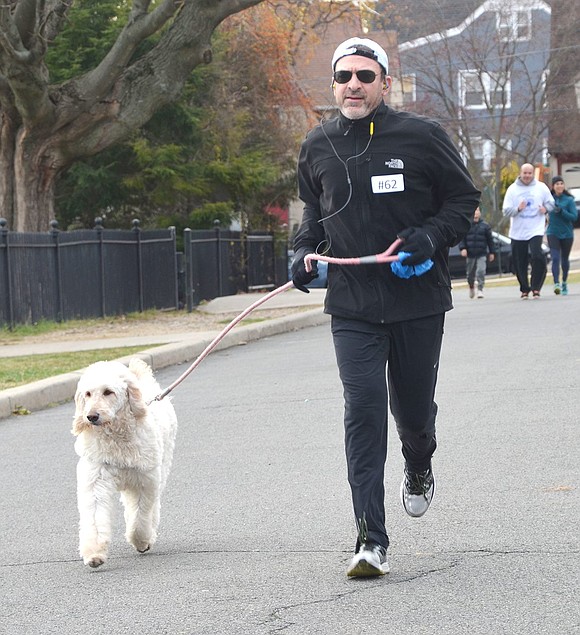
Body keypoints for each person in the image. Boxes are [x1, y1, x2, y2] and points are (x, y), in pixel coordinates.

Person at [291, 37, 480, 577]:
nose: (353, 84)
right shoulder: (318, 144)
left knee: (412, 413)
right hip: (352, 306)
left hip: (417, 299)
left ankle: (418, 461)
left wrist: (429, 236)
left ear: (384, 83)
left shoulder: (422, 137)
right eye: (344, 76)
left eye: (365, 76)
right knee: (364, 410)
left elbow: (464, 202)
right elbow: (314, 214)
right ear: (333, 84)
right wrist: (304, 253)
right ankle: (371, 539)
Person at [502, 163, 555, 299]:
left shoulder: (541, 187)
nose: (527, 176)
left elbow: (551, 203)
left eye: (529, 173)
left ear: (533, 174)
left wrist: (545, 209)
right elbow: (506, 211)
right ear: (520, 173)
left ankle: (536, 287)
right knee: (520, 261)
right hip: (518, 231)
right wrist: (518, 209)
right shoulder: (512, 189)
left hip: (535, 229)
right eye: (525, 173)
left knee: (538, 256)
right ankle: (524, 288)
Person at [547, 176, 577, 295]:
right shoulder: (549, 199)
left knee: (564, 259)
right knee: (555, 258)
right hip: (552, 232)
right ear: (553, 187)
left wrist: (562, 211)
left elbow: (574, 217)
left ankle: (564, 281)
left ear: (563, 186)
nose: (559, 186)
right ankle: (556, 283)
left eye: (561, 183)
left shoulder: (569, 200)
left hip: (567, 233)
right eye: (557, 184)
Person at [459, 207, 496, 298]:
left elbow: (490, 240)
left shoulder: (485, 226)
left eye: (477, 210)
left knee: (481, 271)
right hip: (470, 254)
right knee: (470, 274)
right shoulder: (466, 225)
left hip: (481, 253)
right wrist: (463, 248)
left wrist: (492, 252)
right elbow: (462, 238)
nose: (475, 213)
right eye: (474, 210)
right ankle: (471, 287)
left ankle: (480, 289)